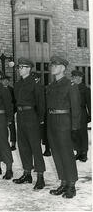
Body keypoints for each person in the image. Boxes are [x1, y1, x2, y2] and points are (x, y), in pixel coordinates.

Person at [46, 56, 80, 198]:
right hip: (52, 121)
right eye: (52, 65)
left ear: (63, 68)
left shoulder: (70, 84)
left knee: (66, 153)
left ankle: (71, 185)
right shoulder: (51, 86)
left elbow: (76, 108)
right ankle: (63, 182)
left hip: (64, 122)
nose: (52, 67)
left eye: (56, 65)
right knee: (56, 153)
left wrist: (75, 128)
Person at [12, 57, 46, 190]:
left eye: (22, 67)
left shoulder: (35, 83)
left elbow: (40, 103)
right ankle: (27, 173)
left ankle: (40, 176)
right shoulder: (18, 84)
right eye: (19, 67)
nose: (19, 70)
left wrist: (40, 119)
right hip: (20, 116)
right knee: (23, 145)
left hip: (32, 116)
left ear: (28, 69)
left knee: (35, 147)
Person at [71, 70, 91, 162]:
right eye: (73, 77)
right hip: (72, 114)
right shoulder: (71, 88)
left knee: (83, 134)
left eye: (75, 77)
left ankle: (84, 153)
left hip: (82, 113)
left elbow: (89, 104)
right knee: (74, 133)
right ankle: (78, 152)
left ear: (80, 78)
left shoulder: (85, 89)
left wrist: (90, 115)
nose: (73, 79)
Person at [30, 71, 51, 157]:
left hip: (42, 112)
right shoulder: (31, 87)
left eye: (35, 78)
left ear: (38, 79)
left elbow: (42, 102)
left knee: (44, 131)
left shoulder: (41, 87)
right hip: (33, 112)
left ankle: (47, 149)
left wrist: (41, 115)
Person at [1, 75, 17, 150]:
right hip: (1, 112)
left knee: (12, 128)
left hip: (10, 111)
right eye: (4, 80)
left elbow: (14, 101)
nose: (6, 81)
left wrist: (13, 111)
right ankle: (3, 143)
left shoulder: (12, 90)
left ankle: (13, 143)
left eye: (7, 80)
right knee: (2, 128)